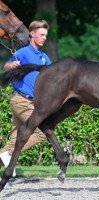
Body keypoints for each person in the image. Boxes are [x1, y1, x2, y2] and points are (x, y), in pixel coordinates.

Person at [0, 20, 51, 176]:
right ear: (32, 35)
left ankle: (5, 155)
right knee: (42, 133)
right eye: (41, 35)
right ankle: (8, 154)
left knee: (14, 137)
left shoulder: (44, 57)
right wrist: (11, 66)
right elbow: (7, 66)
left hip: (31, 102)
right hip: (22, 101)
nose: (44, 38)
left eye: (46, 35)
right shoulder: (23, 52)